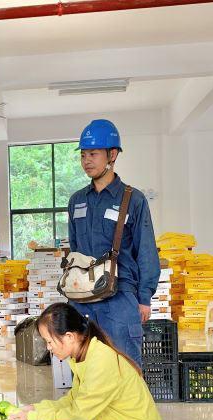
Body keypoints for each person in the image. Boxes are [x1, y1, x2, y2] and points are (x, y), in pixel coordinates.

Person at [9, 303, 170, 420]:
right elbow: (74, 400)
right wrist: (35, 408)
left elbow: (78, 416)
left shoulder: (101, 362)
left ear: (69, 337)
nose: (48, 348)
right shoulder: (88, 355)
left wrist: (33, 418)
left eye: (49, 341)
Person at [67, 119, 160, 367]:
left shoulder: (133, 199)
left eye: (93, 154)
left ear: (113, 155)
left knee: (124, 367)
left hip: (119, 299)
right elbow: (74, 250)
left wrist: (144, 297)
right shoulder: (76, 201)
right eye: (83, 155)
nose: (86, 160)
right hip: (82, 298)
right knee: (84, 368)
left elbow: (147, 251)